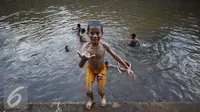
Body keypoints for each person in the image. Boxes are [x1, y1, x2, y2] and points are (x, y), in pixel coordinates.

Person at [77, 21, 137, 110]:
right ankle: (91, 99)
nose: (94, 36)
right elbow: (81, 66)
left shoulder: (104, 46)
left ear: (102, 34)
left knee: (101, 91)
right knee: (88, 91)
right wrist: (83, 59)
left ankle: (103, 97)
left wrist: (127, 67)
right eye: (92, 33)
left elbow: (116, 56)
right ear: (87, 33)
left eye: (97, 33)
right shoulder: (85, 47)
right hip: (90, 70)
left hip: (101, 70)